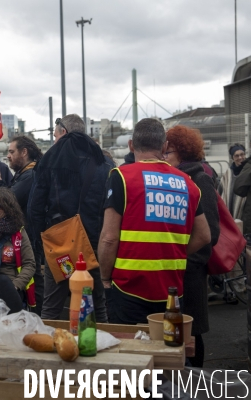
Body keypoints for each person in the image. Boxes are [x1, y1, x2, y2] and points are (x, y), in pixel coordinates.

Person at [98, 118, 211, 326]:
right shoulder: (188, 184)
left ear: (131, 145)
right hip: (171, 289)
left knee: (131, 351)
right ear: (164, 145)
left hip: (128, 288)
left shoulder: (121, 177)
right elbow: (205, 235)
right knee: (169, 350)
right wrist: (172, 251)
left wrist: (105, 278)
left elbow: (108, 238)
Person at [28, 114, 113, 322]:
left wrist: (42, 240)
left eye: (55, 134)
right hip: (93, 241)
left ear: (63, 132)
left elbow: (34, 207)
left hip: (60, 241)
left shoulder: (50, 161)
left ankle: (50, 348)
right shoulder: (105, 163)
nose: (55, 139)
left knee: (51, 306)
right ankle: (102, 348)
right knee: (97, 304)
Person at [164, 125, 220, 367]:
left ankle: (194, 384)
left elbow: (211, 233)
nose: (164, 157)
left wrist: (184, 257)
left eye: (168, 152)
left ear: (183, 153)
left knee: (192, 334)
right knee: (176, 332)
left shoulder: (199, 180)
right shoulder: (173, 179)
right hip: (178, 269)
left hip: (192, 270)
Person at [0, 135, 44, 314]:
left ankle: (36, 315)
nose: (8, 156)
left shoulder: (30, 175)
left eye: (11, 152)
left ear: (24, 152)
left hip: (29, 237)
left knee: (33, 277)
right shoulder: (24, 173)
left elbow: (8, 200)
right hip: (26, 234)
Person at [220, 144, 246, 219]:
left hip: (245, 212)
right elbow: (221, 191)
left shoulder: (248, 170)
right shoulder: (228, 173)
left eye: (242, 154)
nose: (240, 157)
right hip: (229, 211)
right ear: (232, 158)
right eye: (236, 156)